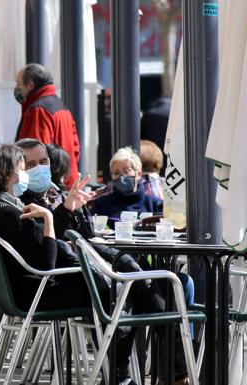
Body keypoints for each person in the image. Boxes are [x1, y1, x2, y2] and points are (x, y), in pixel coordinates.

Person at [15, 139, 194, 385]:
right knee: (136, 283)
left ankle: (140, 373)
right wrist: (66, 211)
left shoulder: (55, 193)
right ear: (19, 170)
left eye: (43, 162)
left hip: (88, 266)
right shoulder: (22, 201)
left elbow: (83, 235)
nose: (39, 168)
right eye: (31, 164)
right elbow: (51, 246)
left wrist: (75, 210)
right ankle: (166, 372)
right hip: (64, 278)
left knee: (164, 283)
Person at [14, 63, 80, 188]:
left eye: (18, 84)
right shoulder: (61, 107)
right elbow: (76, 149)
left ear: (30, 85)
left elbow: (34, 152)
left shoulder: (38, 110)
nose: (17, 88)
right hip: (65, 182)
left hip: (46, 187)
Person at [91, 147, 163, 226]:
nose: (122, 177)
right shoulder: (101, 204)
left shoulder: (156, 204)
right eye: (116, 173)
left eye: (126, 171)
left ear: (139, 174)